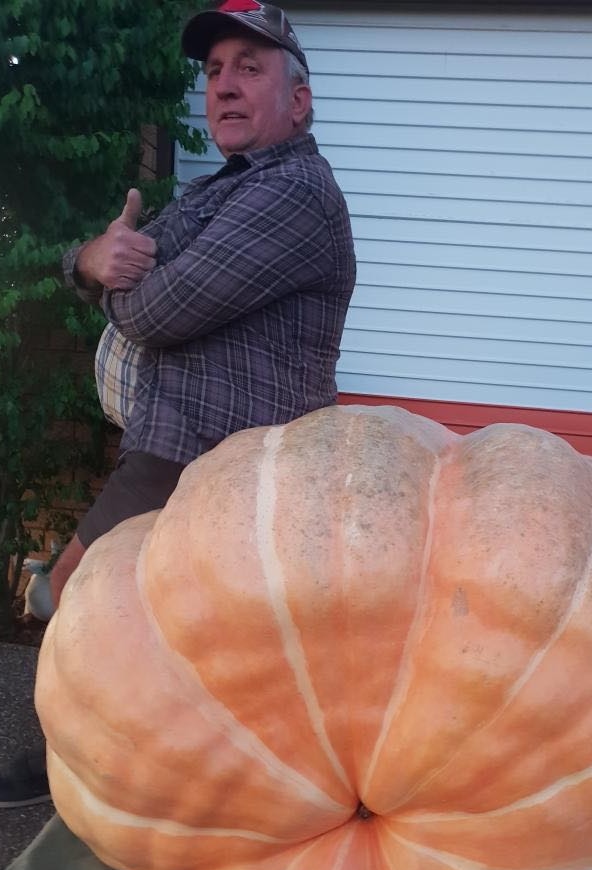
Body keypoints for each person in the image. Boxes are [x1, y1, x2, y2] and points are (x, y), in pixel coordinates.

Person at [0, 0, 356, 808]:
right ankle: (95, 778)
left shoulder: (297, 193)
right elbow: (119, 258)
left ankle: (73, 779)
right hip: (177, 448)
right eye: (215, 70)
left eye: (250, 68)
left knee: (75, 596)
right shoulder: (221, 191)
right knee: (138, 632)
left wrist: (108, 271)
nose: (224, 86)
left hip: (220, 463)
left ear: (298, 100)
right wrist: (93, 259)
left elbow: (157, 307)